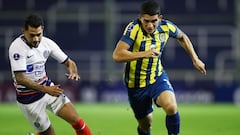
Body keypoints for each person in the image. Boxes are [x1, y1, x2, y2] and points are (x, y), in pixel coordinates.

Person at [112, 0, 206, 135]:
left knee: (171, 107)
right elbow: (117, 55)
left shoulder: (166, 27)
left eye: (154, 21)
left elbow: (182, 37)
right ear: (140, 18)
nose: (150, 25)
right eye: (146, 21)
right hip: (136, 84)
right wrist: (145, 54)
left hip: (156, 77)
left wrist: (195, 59)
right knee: (146, 125)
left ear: (160, 18)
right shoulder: (133, 29)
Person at [8, 14, 92, 135]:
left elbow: (69, 62)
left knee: (77, 121)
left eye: (39, 34)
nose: (36, 39)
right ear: (24, 31)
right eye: (32, 35)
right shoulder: (17, 48)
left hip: (48, 89)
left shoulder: (47, 43)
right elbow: (20, 79)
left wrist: (73, 71)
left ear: (42, 30)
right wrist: (45, 89)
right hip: (29, 100)